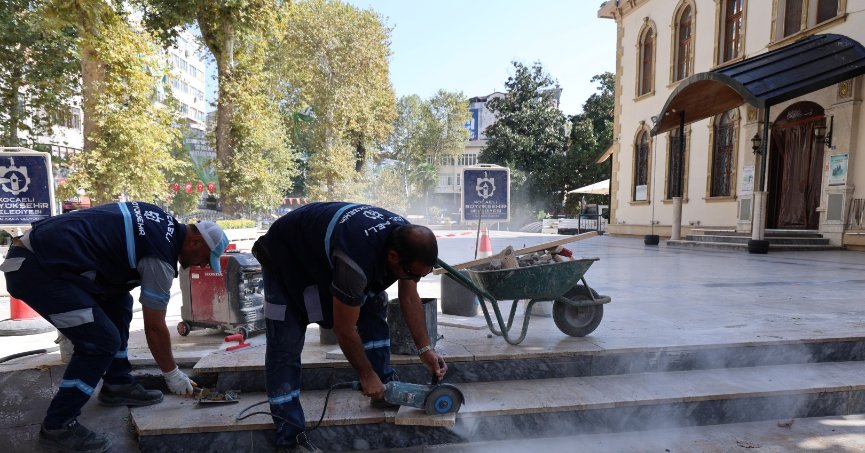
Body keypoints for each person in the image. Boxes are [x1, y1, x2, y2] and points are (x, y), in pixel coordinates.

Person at [2, 201, 229, 453]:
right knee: (100, 343)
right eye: (206, 259)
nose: (202, 266)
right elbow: (154, 327)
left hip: (43, 257)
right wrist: (172, 374)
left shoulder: (160, 220)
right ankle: (58, 425)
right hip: (37, 269)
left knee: (120, 301)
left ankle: (118, 384)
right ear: (195, 243)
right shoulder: (160, 257)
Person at [252, 202, 447, 453]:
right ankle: (290, 437)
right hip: (285, 257)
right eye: (413, 274)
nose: (415, 280)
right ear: (392, 257)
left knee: (374, 303)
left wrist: (425, 349)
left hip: (322, 255)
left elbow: (409, 296)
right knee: (285, 342)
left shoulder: (405, 238)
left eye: (421, 276)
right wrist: (365, 375)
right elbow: (343, 330)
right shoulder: (355, 261)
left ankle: (384, 389)